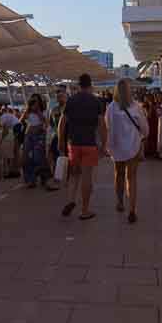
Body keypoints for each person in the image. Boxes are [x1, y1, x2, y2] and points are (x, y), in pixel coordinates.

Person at [58, 73, 107, 221]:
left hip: (73, 143)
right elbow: (102, 126)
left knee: (74, 174)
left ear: (79, 85)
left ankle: (71, 200)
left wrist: (61, 141)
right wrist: (104, 144)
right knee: (87, 176)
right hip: (89, 144)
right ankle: (84, 210)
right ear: (90, 85)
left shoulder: (71, 101)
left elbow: (62, 123)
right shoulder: (96, 101)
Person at [106, 78, 149, 224]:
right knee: (132, 177)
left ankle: (119, 202)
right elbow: (144, 128)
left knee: (118, 175)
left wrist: (109, 145)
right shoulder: (136, 106)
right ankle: (132, 209)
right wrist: (144, 135)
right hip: (133, 146)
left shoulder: (111, 107)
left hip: (117, 147)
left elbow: (108, 126)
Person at [21, 95, 53, 190]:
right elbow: (21, 121)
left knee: (38, 157)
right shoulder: (28, 111)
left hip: (39, 135)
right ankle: (30, 180)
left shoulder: (44, 111)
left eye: (36, 102)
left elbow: (47, 123)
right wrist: (28, 109)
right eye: (32, 102)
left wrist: (38, 112)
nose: (34, 104)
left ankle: (44, 177)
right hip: (29, 135)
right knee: (26, 158)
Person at [144, 91, 160, 158]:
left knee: (154, 136)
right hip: (149, 122)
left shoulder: (154, 104)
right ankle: (149, 151)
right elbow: (147, 115)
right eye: (146, 98)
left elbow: (151, 115)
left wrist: (151, 106)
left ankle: (154, 151)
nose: (147, 99)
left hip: (154, 122)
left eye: (148, 98)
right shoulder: (146, 105)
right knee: (149, 137)